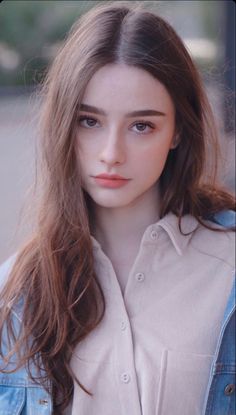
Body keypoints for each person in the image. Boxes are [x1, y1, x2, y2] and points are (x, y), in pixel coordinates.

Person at [0, 1, 235, 414]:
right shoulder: (16, 293)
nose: (111, 153)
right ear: (63, 123)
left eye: (141, 125)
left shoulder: (228, 267)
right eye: (89, 121)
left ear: (178, 130)